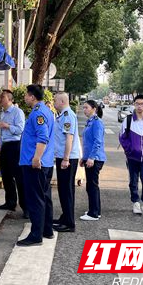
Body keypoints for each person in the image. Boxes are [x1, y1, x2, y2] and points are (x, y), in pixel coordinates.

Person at [16, 84, 55, 247]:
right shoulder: (45, 110)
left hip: (35, 163)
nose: (25, 97)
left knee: (35, 199)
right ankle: (46, 229)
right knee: (44, 196)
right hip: (44, 162)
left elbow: (42, 137)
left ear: (32, 97)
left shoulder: (38, 113)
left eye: (26, 94)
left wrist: (36, 158)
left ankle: (35, 235)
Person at [53, 92, 81, 232]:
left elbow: (69, 139)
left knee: (66, 190)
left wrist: (65, 158)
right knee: (63, 189)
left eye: (55, 100)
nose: (53, 103)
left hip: (67, 158)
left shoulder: (67, 115)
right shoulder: (62, 115)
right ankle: (65, 217)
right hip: (63, 156)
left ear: (62, 101)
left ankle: (69, 223)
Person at [0, 89, 26, 216]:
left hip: (15, 146)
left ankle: (26, 207)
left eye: (3, 97)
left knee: (19, 177)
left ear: (10, 99)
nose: (0, 99)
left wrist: (6, 126)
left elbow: (20, 129)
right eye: (0, 97)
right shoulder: (2, 112)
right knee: (6, 176)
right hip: (5, 146)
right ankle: (10, 202)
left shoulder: (17, 112)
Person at [80, 100, 106, 221]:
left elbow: (97, 141)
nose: (84, 110)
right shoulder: (90, 122)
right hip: (89, 157)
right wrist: (84, 158)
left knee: (92, 185)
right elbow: (87, 143)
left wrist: (91, 157)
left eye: (86, 107)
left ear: (94, 108)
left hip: (95, 158)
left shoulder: (97, 122)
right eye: (83, 107)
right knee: (91, 185)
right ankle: (95, 210)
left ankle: (93, 213)